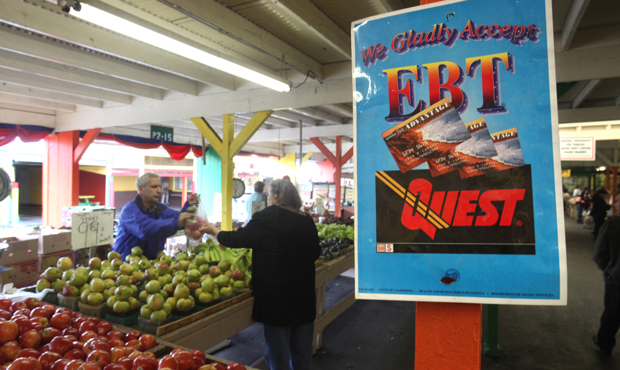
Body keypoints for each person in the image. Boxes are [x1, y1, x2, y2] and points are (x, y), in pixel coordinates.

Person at [201, 179, 320, 370]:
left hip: (276, 298)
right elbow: (315, 253)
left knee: (278, 354)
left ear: (275, 196)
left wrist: (214, 231)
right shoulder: (306, 220)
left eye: (268, 194)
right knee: (302, 356)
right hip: (303, 296)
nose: (267, 197)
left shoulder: (267, 217)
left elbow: (239, 239)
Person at [113, 172, 198, 260]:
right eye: (154, 187)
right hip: (124, 265)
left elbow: (178, 217)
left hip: (151, 266)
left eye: (159, 186)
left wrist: (188, 206)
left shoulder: (160, 208)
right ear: (141, 189)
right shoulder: (130, 210)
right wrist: (176, 222)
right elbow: (145, 230)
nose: (159, 191)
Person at [593, 215, 620, 355]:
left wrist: (608, 270)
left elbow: (599, 253)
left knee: (613, 312)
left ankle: (605, 343)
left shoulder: (612, 224)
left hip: (616, 278)